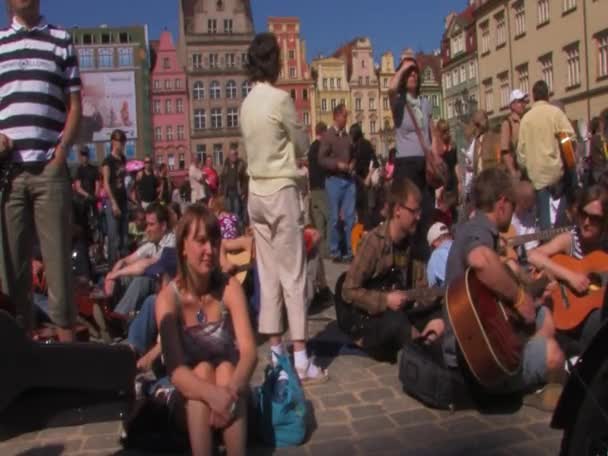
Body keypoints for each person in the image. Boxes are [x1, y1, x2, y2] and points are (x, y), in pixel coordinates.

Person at [241, 32, 327, 384]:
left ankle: (276, 356)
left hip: (255, 193)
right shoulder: (280, 100)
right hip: (280, 190)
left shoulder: (247, 103)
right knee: (293, 273)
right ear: (274, 61)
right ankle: (301, 358)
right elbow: (303, 143)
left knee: (268, 274)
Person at [443, 168, 564, 408]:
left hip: (483, 338)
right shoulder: (479, 231)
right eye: (513, 205)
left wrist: (531, 289)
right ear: (501, 204)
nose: (514, 211)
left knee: (544, 316)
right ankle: (525, 378)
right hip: (479, 360)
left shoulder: (473, 229)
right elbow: (480, 260)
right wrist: (519, 298)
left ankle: (522, 355)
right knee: (555, 357)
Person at [0, 0, 82, 341]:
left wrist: (61, 153)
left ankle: (71, 371)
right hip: (10, 172)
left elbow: (75, 105)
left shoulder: (61, 40)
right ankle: (18, 366)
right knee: (10, 275)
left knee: (59, 270)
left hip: (49, 168)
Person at [155, 205, 257, 456]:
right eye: (201, 241)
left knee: (225, 367)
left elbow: (249, 352)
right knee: (201, 369)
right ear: (182, 247)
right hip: (191, 400)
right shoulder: (169, 299)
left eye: (213, 241)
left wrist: (229, 395)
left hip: (230, 393)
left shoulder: (229, 287)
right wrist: (214, 396)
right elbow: (177, 372)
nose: (210, 250)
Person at [339, 178, 445, 361]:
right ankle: (423, 350)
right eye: (414, 211)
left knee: (441, 312)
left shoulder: (414, 244)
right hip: (368, 321)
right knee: (396, 323)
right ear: (397, 210)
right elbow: (348, 290)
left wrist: (434, 297)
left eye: (419, 211)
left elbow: (420, 291)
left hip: (400, 313)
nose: (418, 217)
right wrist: (385, 299)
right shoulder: (373, 242)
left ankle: (428, 343)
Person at [527, 185, 608, 350]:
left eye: (594, 218)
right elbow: (533, 255)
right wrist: (570, 276)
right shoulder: (570, 240)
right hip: (565, 317)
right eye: (583, 215)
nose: (586, 222)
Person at [388, 50, 434, 260]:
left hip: (425, 164)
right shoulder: (398, 103)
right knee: (407, 214)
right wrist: (407, 65)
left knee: (425, 213)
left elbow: (430, 136)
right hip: (406, 165)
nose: (413, 76)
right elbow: (390, 87)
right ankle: (403, 258)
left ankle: (423, 261)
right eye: (409, 74)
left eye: (416, 73)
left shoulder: (425, 104)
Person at [517, 80, 576, 230]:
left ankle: (546, 241)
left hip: (536, 174)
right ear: (548, 95)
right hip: (556, 171)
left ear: (534, 96)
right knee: (561, 209)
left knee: (543, 214)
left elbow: (521, 153)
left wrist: (526, 167)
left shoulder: (526, 119)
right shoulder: (555, 113)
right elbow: (570, 138)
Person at [105, 203, 175, 316]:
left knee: (141, 281)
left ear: (163, 226)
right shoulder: (154, 242)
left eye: (151, 225)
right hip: (157, 282)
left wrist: (115, 274)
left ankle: (118, 316)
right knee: (123, 277)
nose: (147, 229)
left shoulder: (171, 242)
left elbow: (145, 265)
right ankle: (110, 310)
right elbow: (125, 260)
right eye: (146, 224)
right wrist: (111, 277)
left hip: (169, 286)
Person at [319, 104, 356, 263]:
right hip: (333, 180)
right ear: (335, 117)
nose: (346, 119)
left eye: (346, 116)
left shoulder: (348, 137)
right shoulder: (328, 136)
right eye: (343, 116)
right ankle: (335, 251)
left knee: (349, 218)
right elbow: (321, 159)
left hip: (348, 180)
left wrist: (353, 163)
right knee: (335, 218)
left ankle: (349, 251)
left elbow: (354, 154)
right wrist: (336, 164)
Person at [102, 129, 129, 266]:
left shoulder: (123, 159)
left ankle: (124, 264)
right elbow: (106, 183)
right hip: (112, 201)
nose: (121, 144)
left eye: (123, 141)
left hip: (123, 199)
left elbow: (124, 180)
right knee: (113, 236)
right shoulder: (108, 161)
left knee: (124, 235)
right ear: (113, 142)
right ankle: (112, 266)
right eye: (119, 141)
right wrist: (113, 203)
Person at [350, 123, 380, 230]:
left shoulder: (360, 146)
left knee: (362, 211)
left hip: (362, 181)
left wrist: (367, 176)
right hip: (364, 181)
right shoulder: (363, 144)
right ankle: (366, 231)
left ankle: (364, 233)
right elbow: (375, 162)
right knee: (366, 210)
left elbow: (373, 162)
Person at [308, 122, 328, 256]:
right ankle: (328, 249)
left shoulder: (311, 148)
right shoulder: (323, 147)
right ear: (324, 132)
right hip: (322, 186)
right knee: (328, 217)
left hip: (313, 187)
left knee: (318, 220)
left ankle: (321, 250)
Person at [500, 89, 528, 178]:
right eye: (520, 101)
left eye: (524, 101)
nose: (523, 104)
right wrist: (513, 172)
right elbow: (505, 151)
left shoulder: (526, 120)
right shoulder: (507, 123)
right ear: (512, 105)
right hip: (516, 169)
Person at [220, 147, 248, 223]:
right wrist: (222, 190)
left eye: (235, 154)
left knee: (237, 212)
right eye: (231, 155)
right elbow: (222, 178)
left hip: (237, 193)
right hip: (228, 193)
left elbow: (245, 180)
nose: (233, 156)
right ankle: (230, 229)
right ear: (229, 156)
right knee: (228, 212)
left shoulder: (241, 165)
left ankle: (238, 230)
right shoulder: (226, 165)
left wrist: (243, 191)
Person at [426, 222, 453, 288]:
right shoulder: (462, 246)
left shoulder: (436, 255)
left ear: (434, 242)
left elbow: (432, 287)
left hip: (454, 295)